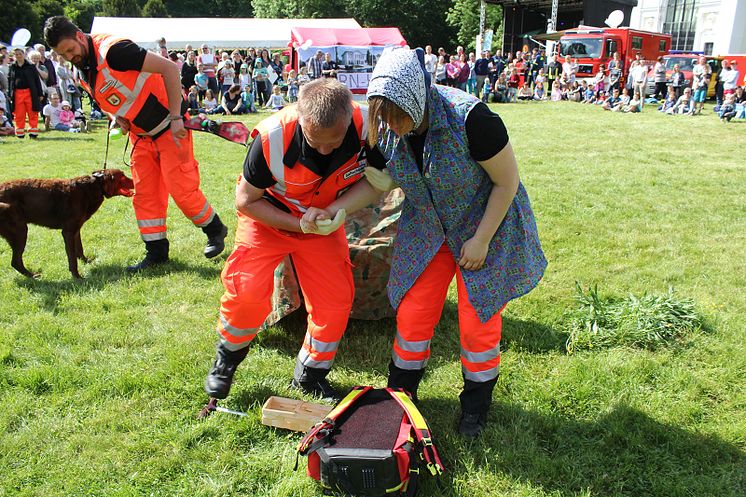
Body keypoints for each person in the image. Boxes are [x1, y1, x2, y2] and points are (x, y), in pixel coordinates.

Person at [365, 48, 545, 437]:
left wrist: (481, 240)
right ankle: (402, 396)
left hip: (484, 221)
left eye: (397, 115)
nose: (391, 126)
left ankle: (476, 408)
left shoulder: (472, 119)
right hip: (429, 228)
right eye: (383, 117)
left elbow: (507, 182)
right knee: (414, 311)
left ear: (417, 97)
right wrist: (336, 212)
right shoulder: (385, 128)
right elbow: (376, 182)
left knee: (478, 319)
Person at [203, 78, 387, 402]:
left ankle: (310, 374)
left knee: (335, 301)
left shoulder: (369, 128)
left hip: (320, 224)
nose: (326, 150)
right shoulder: (271, 138)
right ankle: (227, 360)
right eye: (317, 143)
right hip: (267, 220)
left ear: (348, 119)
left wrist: (332, 211)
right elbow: (246, 200)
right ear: (301, 119)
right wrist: (298, 224)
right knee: (246, 294)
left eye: (335, 141)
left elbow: (377, 184)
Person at [45, 16, 228, 271]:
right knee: (145, 195)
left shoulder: (115, 51)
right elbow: (106, 99)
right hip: (140, 137)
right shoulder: (82, 68)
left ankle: (215, 229)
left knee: (180, 187)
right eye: (62, 55)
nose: (69, 57)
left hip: (169, 127)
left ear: (79, 36)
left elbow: (169, 69)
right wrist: (115, 117)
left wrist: (177, 117)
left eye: (70, 50)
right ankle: (156, 253)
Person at [8, 47, 44, 139]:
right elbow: (10, 81)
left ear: (24, 54)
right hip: (17, 93)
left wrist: (40, 94)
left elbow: (37, 81)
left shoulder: (31, 66)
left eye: (20, 54)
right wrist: (9, 94)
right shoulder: (12, 67)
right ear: (14, 56)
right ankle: (20, 133)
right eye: (16, 54)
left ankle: (33, 132)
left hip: (30, 93)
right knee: (19, 114)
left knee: (32, 113)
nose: (18, 56)